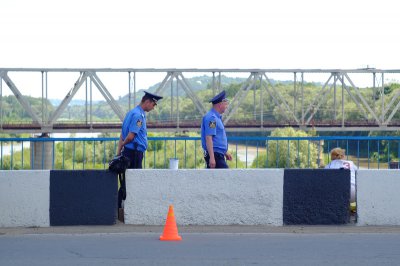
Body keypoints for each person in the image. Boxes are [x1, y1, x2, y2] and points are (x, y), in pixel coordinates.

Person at [116, 91, 163, 209]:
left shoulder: (130, 113)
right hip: (134, 153)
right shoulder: (138, 116)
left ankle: (119, 207)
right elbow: (130, 136)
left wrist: (119, 150)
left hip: (129, 152)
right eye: (153, 104)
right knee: (134, 183)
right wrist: (122, 145)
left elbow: (122, 135)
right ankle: (132, 209)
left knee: (126, 181)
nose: (153, 108)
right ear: (147, 102)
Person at [201, 90, 232, 168]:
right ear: (220, 104)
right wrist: (212, 157)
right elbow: (209, 137)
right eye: (226, 104)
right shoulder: (212, 118)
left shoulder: (216, 118)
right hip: (215, 156)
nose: (226, 106)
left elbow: (216, 139)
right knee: (226, 177)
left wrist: (225, 152)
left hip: (218, 155)